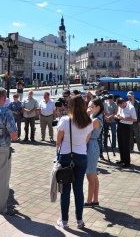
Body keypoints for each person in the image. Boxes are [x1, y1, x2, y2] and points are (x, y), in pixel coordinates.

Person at [56, 95, 93, 229]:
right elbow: (86, 140)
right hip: (81, 156)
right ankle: (79, 221)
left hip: (66, 156)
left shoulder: (65, 120)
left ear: (70, 106)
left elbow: (58, 141)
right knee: (78, 189)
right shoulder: (88, 121)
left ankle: (64, 221)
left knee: (65, 190)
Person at [84, 98, 104, 207]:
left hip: (91, 146)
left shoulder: (96, 120)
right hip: (93, 144)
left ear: (98, 107)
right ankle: (95, 200)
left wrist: (82, 146)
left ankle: (89, 201)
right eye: (89, 106)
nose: (90, 108)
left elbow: (87, 133)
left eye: (92, 107)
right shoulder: (95, 117)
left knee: (90, 175)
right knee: (93, 175)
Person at [115, 98, 137, 168]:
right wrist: (117, 116)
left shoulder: (131, 108)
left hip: (127, 126)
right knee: (120, 143)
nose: (120, 107)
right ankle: (122, 159)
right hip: (119, 125)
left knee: (126, 144)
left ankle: (127, 162)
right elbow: (118, 114)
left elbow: (134, 119)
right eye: (119, 106)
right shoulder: (120, 107)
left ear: (124, 103)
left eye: (121, 105)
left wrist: (124, 118)